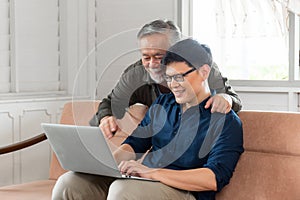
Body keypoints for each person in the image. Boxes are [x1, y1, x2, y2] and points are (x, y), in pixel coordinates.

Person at [52, 38, 244, 200]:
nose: (173, 85)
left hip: (185, 192)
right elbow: (135, 145)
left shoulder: (226, 121)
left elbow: (213, 178)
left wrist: (152, 173)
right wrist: (104, 164)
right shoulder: (163, 104)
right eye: (169, 78)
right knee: (70, 183)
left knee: (123, 191)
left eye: (179, 77)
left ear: (204, 72)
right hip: (145, 181)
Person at [89, 19, 242, 139]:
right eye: (146, 57)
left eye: (158, 56)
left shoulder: (201, 67)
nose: (152, 64)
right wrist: (105, 117)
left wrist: (225, 98)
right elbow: (110, 103)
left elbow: (233, 100)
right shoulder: (135, 74)